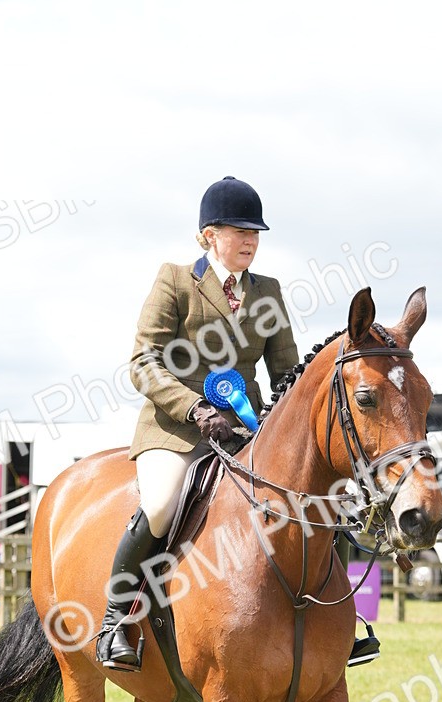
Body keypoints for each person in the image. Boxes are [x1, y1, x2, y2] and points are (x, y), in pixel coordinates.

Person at [96, 176, 299, 669]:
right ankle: (116, 620)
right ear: (209, 235)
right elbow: (144, 362)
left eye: (255, 233)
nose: (250, 241)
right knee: (161, 504)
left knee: (308, 494)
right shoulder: (175, 280)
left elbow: (286, 372)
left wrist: (286, 414)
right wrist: (195, 408)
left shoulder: (268, 292)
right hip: (177, 428)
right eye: (239, 231)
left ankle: (329, 620)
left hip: (246, 430)